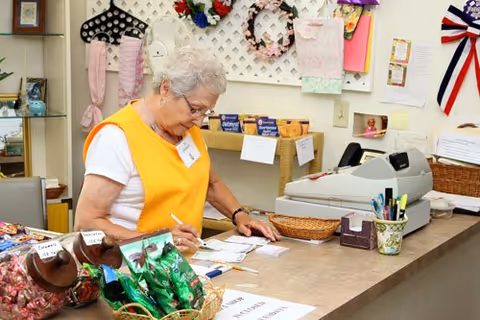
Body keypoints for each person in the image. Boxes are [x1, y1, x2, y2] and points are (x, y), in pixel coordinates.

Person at [74, 45, 281, 251]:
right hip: (132, 268)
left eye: (205, 113)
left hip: (180, 266)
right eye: (194, 109)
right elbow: (86, 221)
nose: (199, 122)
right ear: (166, 88)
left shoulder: (187, 130)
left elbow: (210, 184)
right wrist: (156, 241)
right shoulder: (116, 137)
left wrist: (240, 216)